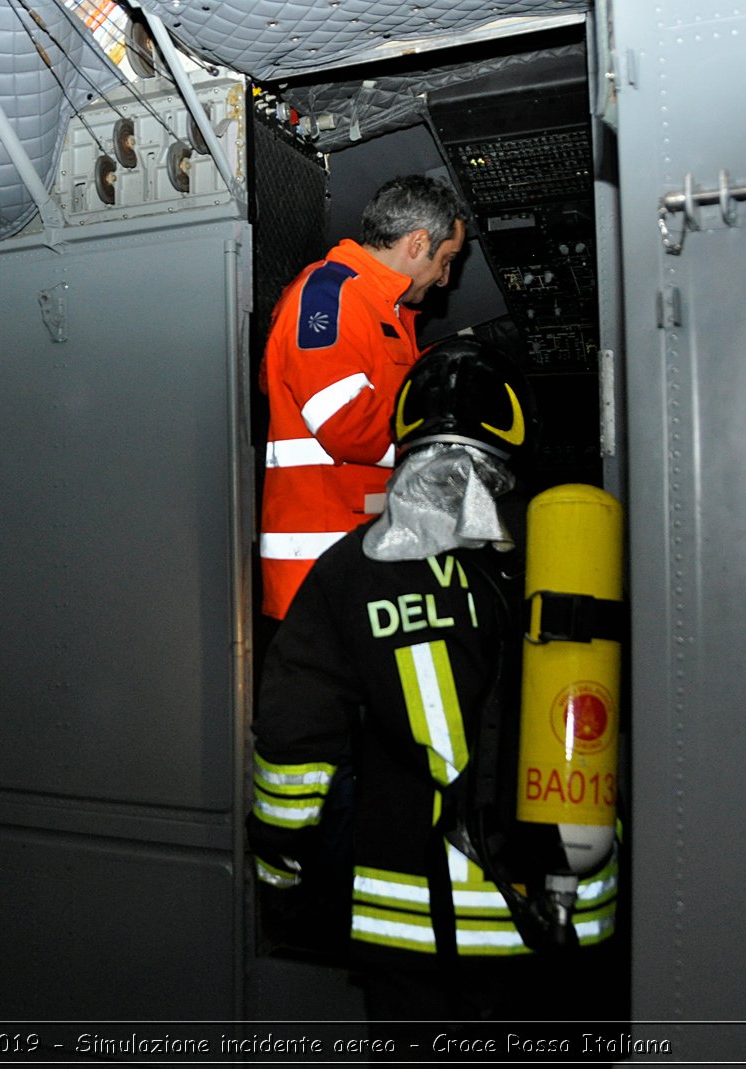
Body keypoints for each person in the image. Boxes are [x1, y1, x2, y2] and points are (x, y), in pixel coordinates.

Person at [247, 339, 620, 1033]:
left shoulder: (349, 571)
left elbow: (293, 747)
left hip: (415, 929)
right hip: (563, 916)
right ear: (517, 427)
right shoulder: (567, 552)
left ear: (406, 426)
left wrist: (280, 874)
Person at [258, 175, 467, 622]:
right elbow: (346, 425)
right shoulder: (328, 297)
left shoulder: (381, 309)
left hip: (361, 565)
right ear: (417, 243)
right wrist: (447, 435)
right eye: (446, 260)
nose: (446, 279)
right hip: (322, 576)